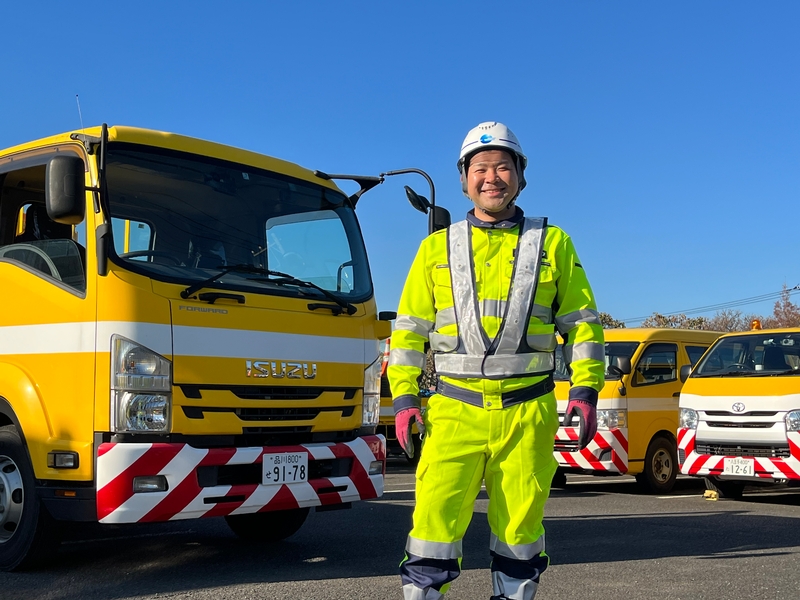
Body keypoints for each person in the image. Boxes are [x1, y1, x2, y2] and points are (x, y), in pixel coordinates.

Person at [388, 121, 605, 600]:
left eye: (503, 167)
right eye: (480, 168)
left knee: (519, 533)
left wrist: (586, 391)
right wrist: (403, 399)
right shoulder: (434, 249)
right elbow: (407, 334)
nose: (492, 177)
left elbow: (583, 326)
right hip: (451, 411)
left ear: (521, 177)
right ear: (464, 179)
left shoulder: (553, 243)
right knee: (433, 528)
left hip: (528, 413)